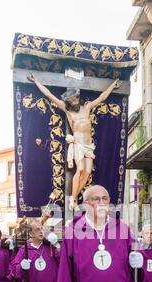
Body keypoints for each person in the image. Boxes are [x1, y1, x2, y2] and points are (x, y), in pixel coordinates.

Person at [27, 73, 120, 209]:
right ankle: (73, 200)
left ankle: (74, 196)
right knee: (80, 169)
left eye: (74, 99)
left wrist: (112, 86)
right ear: (68, 102)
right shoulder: (68, 111)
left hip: (88, 145)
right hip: (78, 143)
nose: (73, 102)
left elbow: (102, 97)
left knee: (87, 172)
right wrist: (36, 80)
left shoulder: (87, 107)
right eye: (70, 101)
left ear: (78, 98)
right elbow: (49, 95)